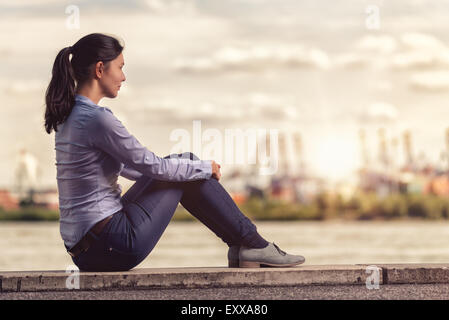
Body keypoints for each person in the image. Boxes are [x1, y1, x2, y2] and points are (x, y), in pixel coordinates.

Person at [44, 33, 305, 272]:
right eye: (120, 67)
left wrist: (185, 168)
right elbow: (152, 167)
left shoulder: (70, 117)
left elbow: (134, 169)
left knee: (184, 166)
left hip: (87, 251)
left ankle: (246, 245)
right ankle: (251, 243)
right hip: (113, 244)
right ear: (100, 69)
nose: (123, 77)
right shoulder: (97, 120)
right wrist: (202, 168)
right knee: (188, 165)